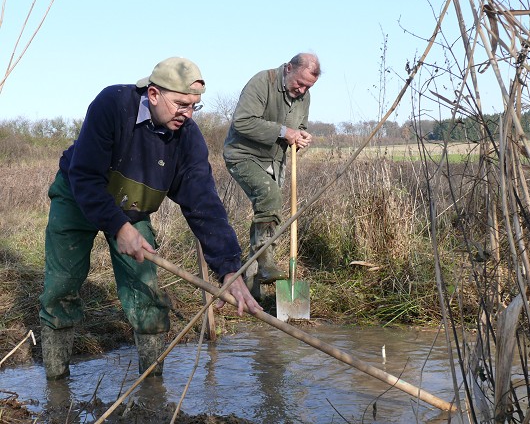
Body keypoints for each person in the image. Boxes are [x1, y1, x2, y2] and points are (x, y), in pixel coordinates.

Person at [39, 57, 262, 381]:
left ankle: (152, 387)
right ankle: (57, 387)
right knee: (61, 286)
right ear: (154, 94)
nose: (187, 113)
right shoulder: (112, 105)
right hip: (77, 197)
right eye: (181, 104)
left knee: (145, 291)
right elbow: (85, 178)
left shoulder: (187, 139)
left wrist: (228, 267)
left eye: (194, 106)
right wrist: (118, 227)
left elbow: (204, 205)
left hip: (132, 209)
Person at [223, 53, 321, 291]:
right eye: (300, 83)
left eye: (308, 87)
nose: (302, 90)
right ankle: (266, 261)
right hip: (242, 155)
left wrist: (300, 137)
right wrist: (283, 132)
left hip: (274, 160)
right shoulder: (262, 82)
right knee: (270, 197)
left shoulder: (304, 96)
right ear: (288, 68)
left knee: (267, 212)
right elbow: (242, 122)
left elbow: (298, 128)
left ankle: (252, 288)